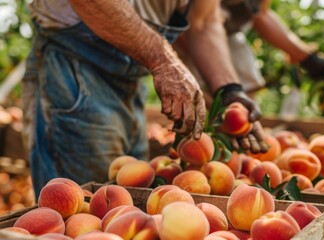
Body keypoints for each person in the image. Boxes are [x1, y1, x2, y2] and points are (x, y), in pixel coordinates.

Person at [22, 0, 267, 198]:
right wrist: (162, 60)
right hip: (74, 66)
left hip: (134, 73)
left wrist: (230, 89)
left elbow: (204, 21)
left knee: (125, 204)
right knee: (83, 206)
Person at [174, 0, 324, 104]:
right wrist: (217, 84)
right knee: (201, 94)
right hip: (186, 31)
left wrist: (306, 57)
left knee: (246, 85)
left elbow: (262, 16)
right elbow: (197, 27)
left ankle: (239, 141)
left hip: (225, 33)